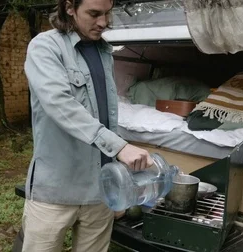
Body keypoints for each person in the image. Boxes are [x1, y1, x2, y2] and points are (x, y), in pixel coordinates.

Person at [21, 0, 153, 251]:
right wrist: (120, 147)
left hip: (100, 190)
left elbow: (104, 115)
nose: (103, 23)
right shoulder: (45, 47)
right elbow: (60, 104)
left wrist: (117, 181)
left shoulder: (105, 53)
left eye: (107, 13)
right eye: (93, 14)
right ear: (69, 7)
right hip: (56, 191)